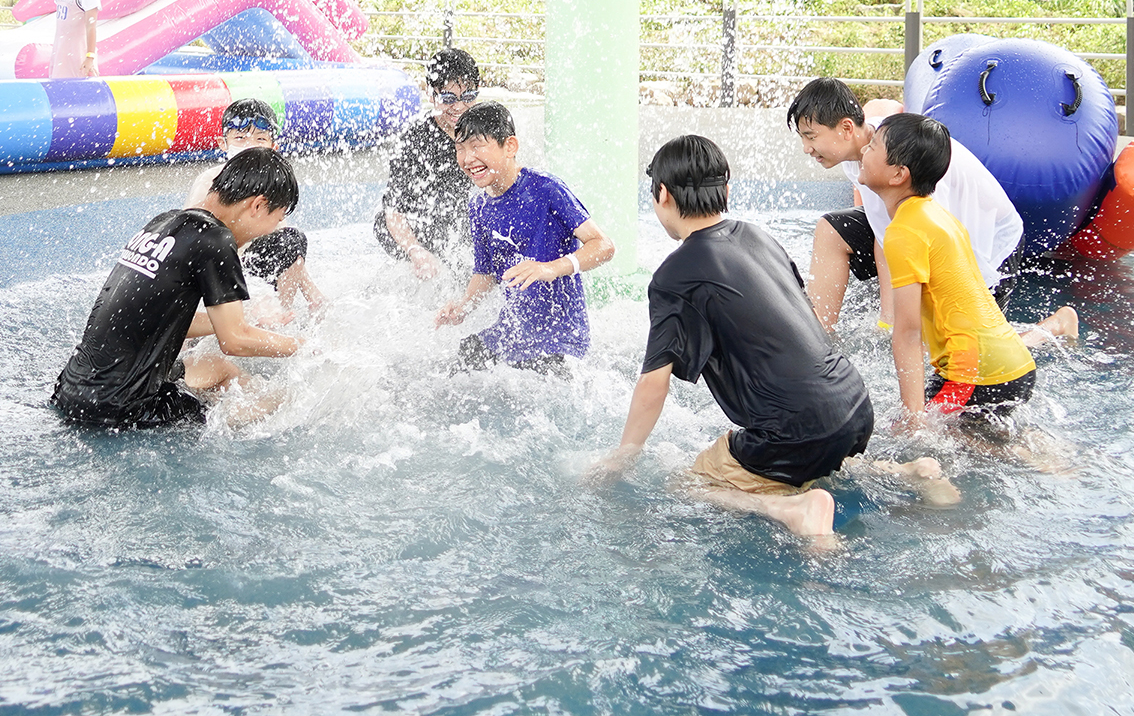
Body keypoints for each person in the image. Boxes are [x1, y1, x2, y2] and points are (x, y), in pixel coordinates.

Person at [590, 136, 942, 554]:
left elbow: (654, 383)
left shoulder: (674, 277)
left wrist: (623, 456)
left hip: (795, 431)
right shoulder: (759, 237)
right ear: (726, 189)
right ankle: (906, 472)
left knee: (686, 483)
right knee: (813, 455)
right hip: (854, 405)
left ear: (662, 194)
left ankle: (792, 510)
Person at [787, 77, 1077, 346]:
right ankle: (816, 342)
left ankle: (1054, 326)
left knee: (972, 353)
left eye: (811, 136)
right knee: (833, 230)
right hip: (928, 228)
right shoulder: (861, 154)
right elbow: (883, 234)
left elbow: (939, 245)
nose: (805, 148)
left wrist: (915, 324)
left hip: (987, 241)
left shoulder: (901, 155)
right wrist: (888, 320)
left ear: (847, 128)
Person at [51, 147, 305, 430]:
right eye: (277, 219)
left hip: (73, 389)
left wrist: (243, 321)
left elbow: (156, 318)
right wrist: (306, 348)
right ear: (258, 205)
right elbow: (234, 341)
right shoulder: (216, 240)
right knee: (272, 402)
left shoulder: (165, 222)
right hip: (120, 406)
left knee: (220, 367)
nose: (271, 231)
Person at [863, 113, 1038, 432]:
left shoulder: (904, 231)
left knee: (911, 439)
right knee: (977, 440)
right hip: (1007, 362)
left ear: (898, 174)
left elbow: (908, 333)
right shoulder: (937, 214)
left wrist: (913, 418)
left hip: (978, 373)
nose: (864, 150)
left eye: (873, 146)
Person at [434, 102, 613, 373]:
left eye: (477, 146)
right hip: (512, 331)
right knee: (464, 358)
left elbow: (603, 246)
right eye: (460, 149)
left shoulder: (546, 189)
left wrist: (550, 268)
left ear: (510, 146)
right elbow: (485, 273)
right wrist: (462, 307)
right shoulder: (479, 206)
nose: (468, 159)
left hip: (558, 339)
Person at [183, 99, 326, 317]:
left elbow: (287, 244)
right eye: (240, 138)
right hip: (216, 267)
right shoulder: (210, 181)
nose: (249, 146)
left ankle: (282, 314)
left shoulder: (272, 184)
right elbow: (190, 237)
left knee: (291, 239)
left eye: (260, 138)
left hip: (252, 267)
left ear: (273, 147)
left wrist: (311, 292)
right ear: (223, 143)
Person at [374, 46, 482, 279]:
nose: (459, 107)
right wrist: (416, 250)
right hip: (423, 226)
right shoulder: (415, 139)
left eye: (468, 97)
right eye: (448, 98)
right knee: (382, 222)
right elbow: (393, 210)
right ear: (430, 94)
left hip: (461, 222)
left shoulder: (486, 129)